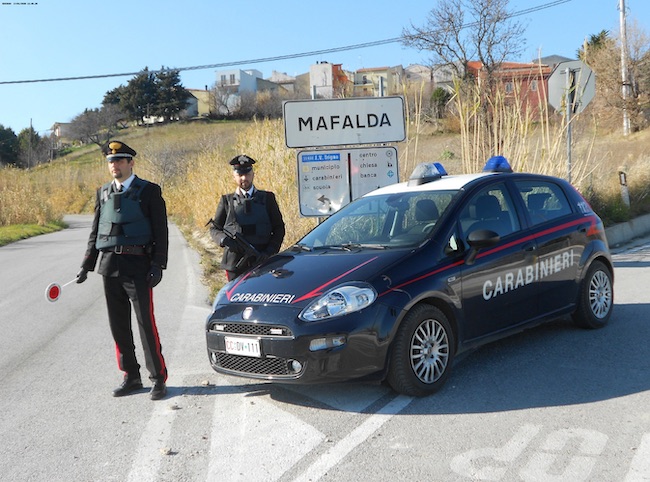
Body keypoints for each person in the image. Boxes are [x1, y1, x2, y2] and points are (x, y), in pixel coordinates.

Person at [75, 140, 169, 401]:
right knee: (118, 325)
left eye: (119, 160)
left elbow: (161, 231)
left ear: (131, 163)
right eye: (110, 161)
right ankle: (131, 375)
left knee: (145, 324)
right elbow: (96, 232)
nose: (114, 165)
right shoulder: (102, 193)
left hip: (138, 266)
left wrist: (158, 264)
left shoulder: (149, 191)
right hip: (109, 266)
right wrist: (86, 265)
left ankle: (158, 378)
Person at [209, 154, 285, 281]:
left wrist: (270, 251)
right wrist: (224, 240)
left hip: (262, 260)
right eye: (240, 175)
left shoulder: (267, 198)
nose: (244, 178)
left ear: (253, 174)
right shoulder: (227, 201)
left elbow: (279, 228)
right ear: (234, 176)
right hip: (235, 263)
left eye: (247, 174)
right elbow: (214, 229)